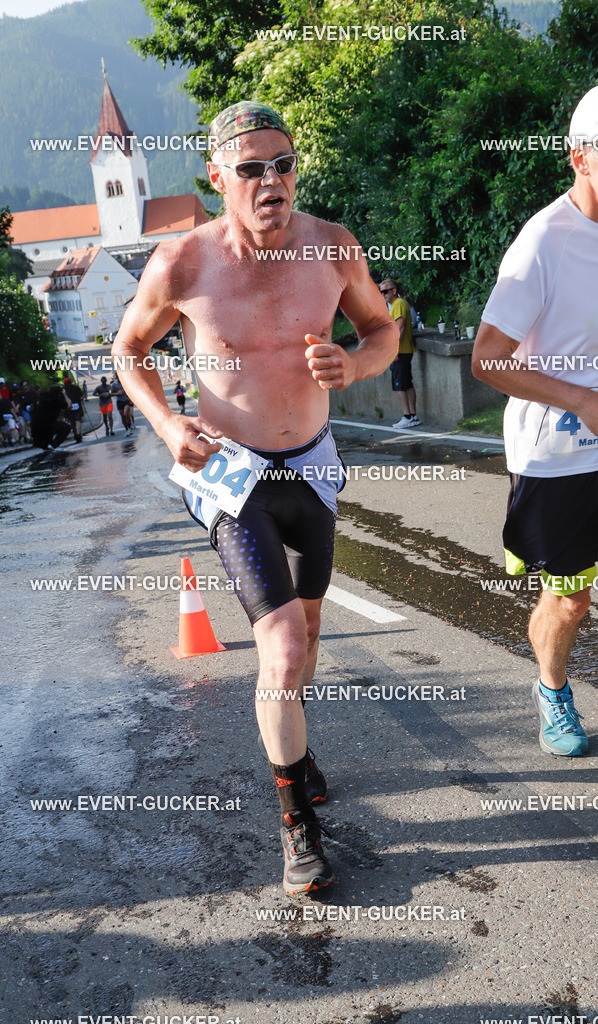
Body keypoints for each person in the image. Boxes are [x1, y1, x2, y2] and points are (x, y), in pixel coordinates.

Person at [112, 100, 398, 892]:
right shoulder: (182, 265)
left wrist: (357, 364)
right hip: (233, 478)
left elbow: (381, 331)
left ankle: (293, 751)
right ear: (218, 179)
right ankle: (297, 827)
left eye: (284, 165)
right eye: (251, 170)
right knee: (278, 647)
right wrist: (169, 426)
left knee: (305, 637)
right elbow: (127, 351)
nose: (272, 182)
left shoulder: (333, 248)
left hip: (310, 467)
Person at [472, 79, 598, 764]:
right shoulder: (541, 245)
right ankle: (553, 688)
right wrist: (585, 401)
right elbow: (487, 361)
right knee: (571, 603)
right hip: (555, 452)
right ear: (579, 158)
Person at [380, 279, 420, 428]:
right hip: (404, 350)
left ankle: (407, 415)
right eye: (381, 292)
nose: (383, 294)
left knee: (399, 386)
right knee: (407, 383)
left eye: (385, 291)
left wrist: (394, 350)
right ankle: (413, 415)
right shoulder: (397, 305)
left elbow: (400, 328)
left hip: (401, 351)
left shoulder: (398, 304)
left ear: (394, 291)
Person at [31, 385, 71, 450]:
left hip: (35, 425)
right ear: (59, 393)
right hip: (48, 425)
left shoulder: (43, 396)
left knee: (45, 441)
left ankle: (47, 447)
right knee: (66, 428)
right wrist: (64, 394)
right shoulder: (57, 400)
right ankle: (54, 444)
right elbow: (68, 405)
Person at [63, 377, 85, 443]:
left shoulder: (76, 388)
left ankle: (78, 434)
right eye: (66, 383)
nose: (67, 385)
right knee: (72, 421)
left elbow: (82, 395)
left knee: (78, 419)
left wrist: (81, 399)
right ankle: (76, 434)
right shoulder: (63, 390)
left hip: (77, 406)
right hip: (69, 409)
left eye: (68, 383)